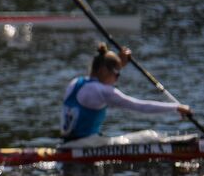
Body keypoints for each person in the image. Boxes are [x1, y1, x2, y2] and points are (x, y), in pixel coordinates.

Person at [61, 44, 191, 142]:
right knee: (149, 136)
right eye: (117, 74)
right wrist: (176, 107)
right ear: (104, 70)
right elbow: (140, 106)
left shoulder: (75, 83)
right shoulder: (103, 91)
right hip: (87, 144)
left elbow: (102, 77)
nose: (117, 78)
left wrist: (118, 64)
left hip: (67, 143)